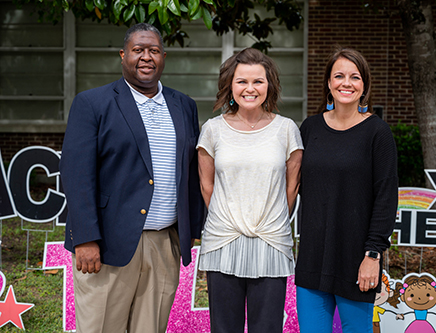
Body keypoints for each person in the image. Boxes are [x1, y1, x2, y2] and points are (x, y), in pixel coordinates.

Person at [59, 23, 204, 333]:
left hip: (164, 242)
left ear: (163, 56)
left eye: (153, 50)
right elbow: (76, 174)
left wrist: (190, 230)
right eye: (138, 50)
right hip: (107, 244)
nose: (146, 57)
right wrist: (85, 238)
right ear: (123, 55)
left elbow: (190, 173)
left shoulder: (184, 105)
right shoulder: (93, 103)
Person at [197, 47, 303, 333]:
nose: (250, 88)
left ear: (269, 86)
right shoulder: (212, 129)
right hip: (223, 241)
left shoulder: (287, 129)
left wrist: (268, 218)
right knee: (224, 327)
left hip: (271, 241)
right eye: (242, 81)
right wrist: (230, 218)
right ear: (230, 85)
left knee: (267, 328)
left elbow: (291, 187)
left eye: (258, 81)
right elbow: (207, 186)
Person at [295, 46, 399, 333]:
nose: (346, 83)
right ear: (328, 83)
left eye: (354, 77)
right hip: (313, 258)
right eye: (339, 76)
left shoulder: (378, 133)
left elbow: (386, 198)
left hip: (356, 262)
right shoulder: (310, 128)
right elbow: (294, 186)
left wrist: (372, 255)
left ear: (363, 85)